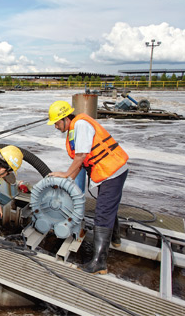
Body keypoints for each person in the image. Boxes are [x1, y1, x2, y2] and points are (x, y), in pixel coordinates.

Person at [47, 100, 129, 274]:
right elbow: (83, 161)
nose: (55, 126)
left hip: (112, 171)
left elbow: (82, 155)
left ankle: (99, 263)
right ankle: (115, 238)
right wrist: (69, 182)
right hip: (111, 170)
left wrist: (66, 174)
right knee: (107, 205)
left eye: (55, 122)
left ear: (64, 118)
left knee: (102, 213)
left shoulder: (81, 126)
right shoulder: (74, 128)